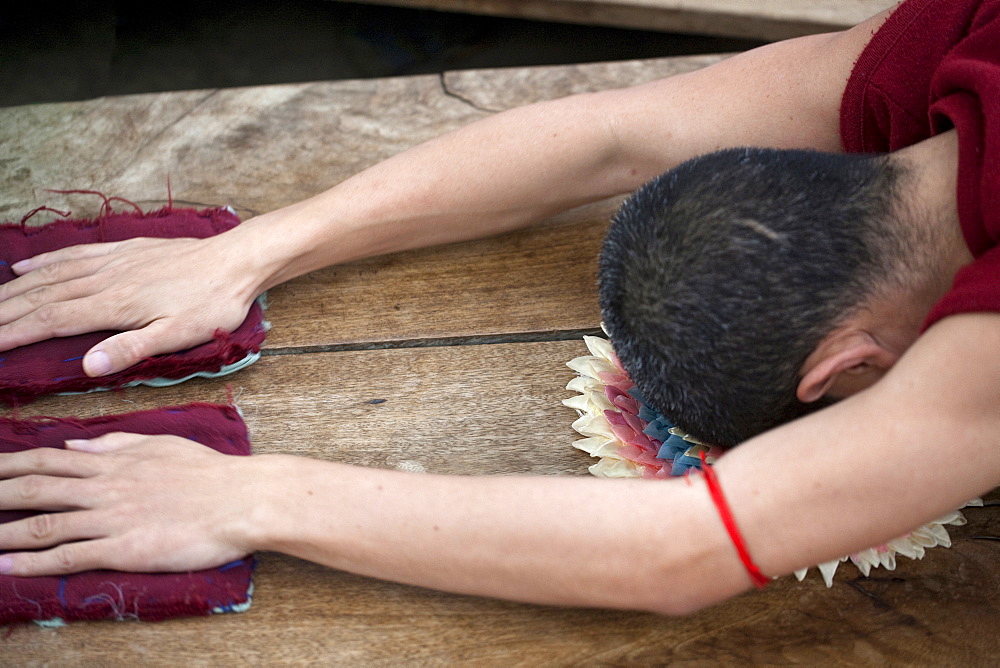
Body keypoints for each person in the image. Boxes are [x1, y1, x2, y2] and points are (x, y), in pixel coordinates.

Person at [0, 0, 996, 614]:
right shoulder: (959, 34)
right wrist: (250, 251)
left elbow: (683, 550)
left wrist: (248, 497)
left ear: (846, 372)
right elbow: (608, 139)